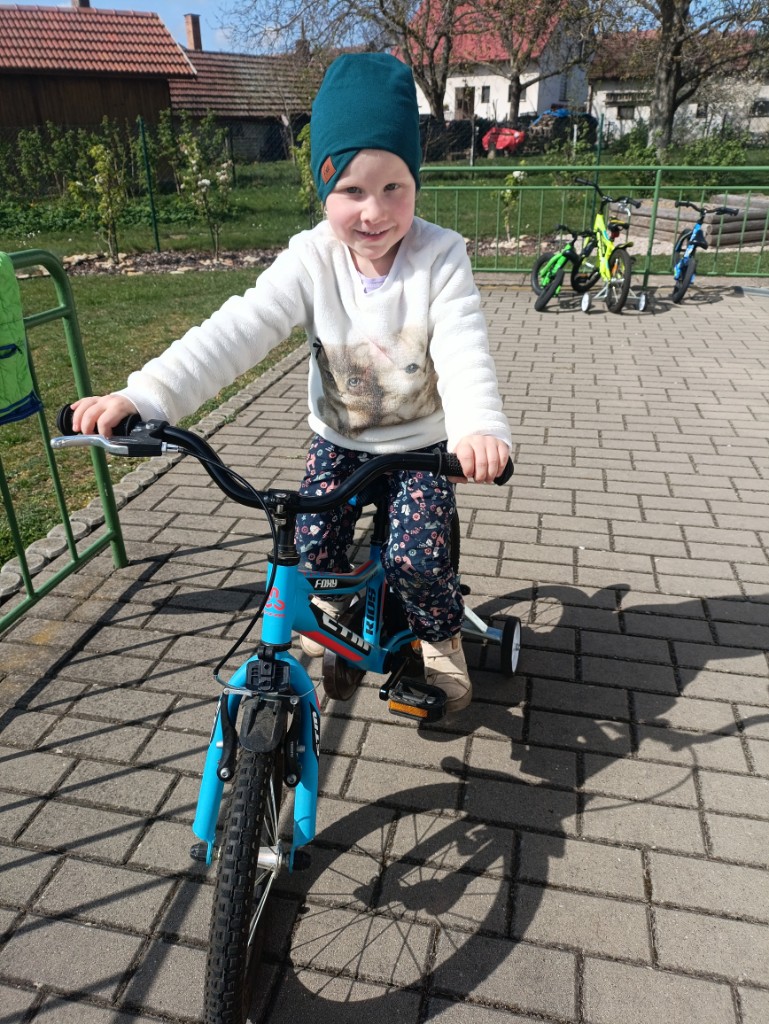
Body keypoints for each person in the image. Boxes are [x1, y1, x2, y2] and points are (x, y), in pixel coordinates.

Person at [71, 52, 512, 716]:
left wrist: (477, 428)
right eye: (352, 191)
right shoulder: (311, 258)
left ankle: (439, 638)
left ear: (416, 182)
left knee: (418, 560)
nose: (374, 211)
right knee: (311, 548)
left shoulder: (439, 256)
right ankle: (332, 619)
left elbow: (462, 343)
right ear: (321, 189)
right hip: (340, 442)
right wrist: (145, 396)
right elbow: (236, 329)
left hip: (422, 449)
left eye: (394, 187)